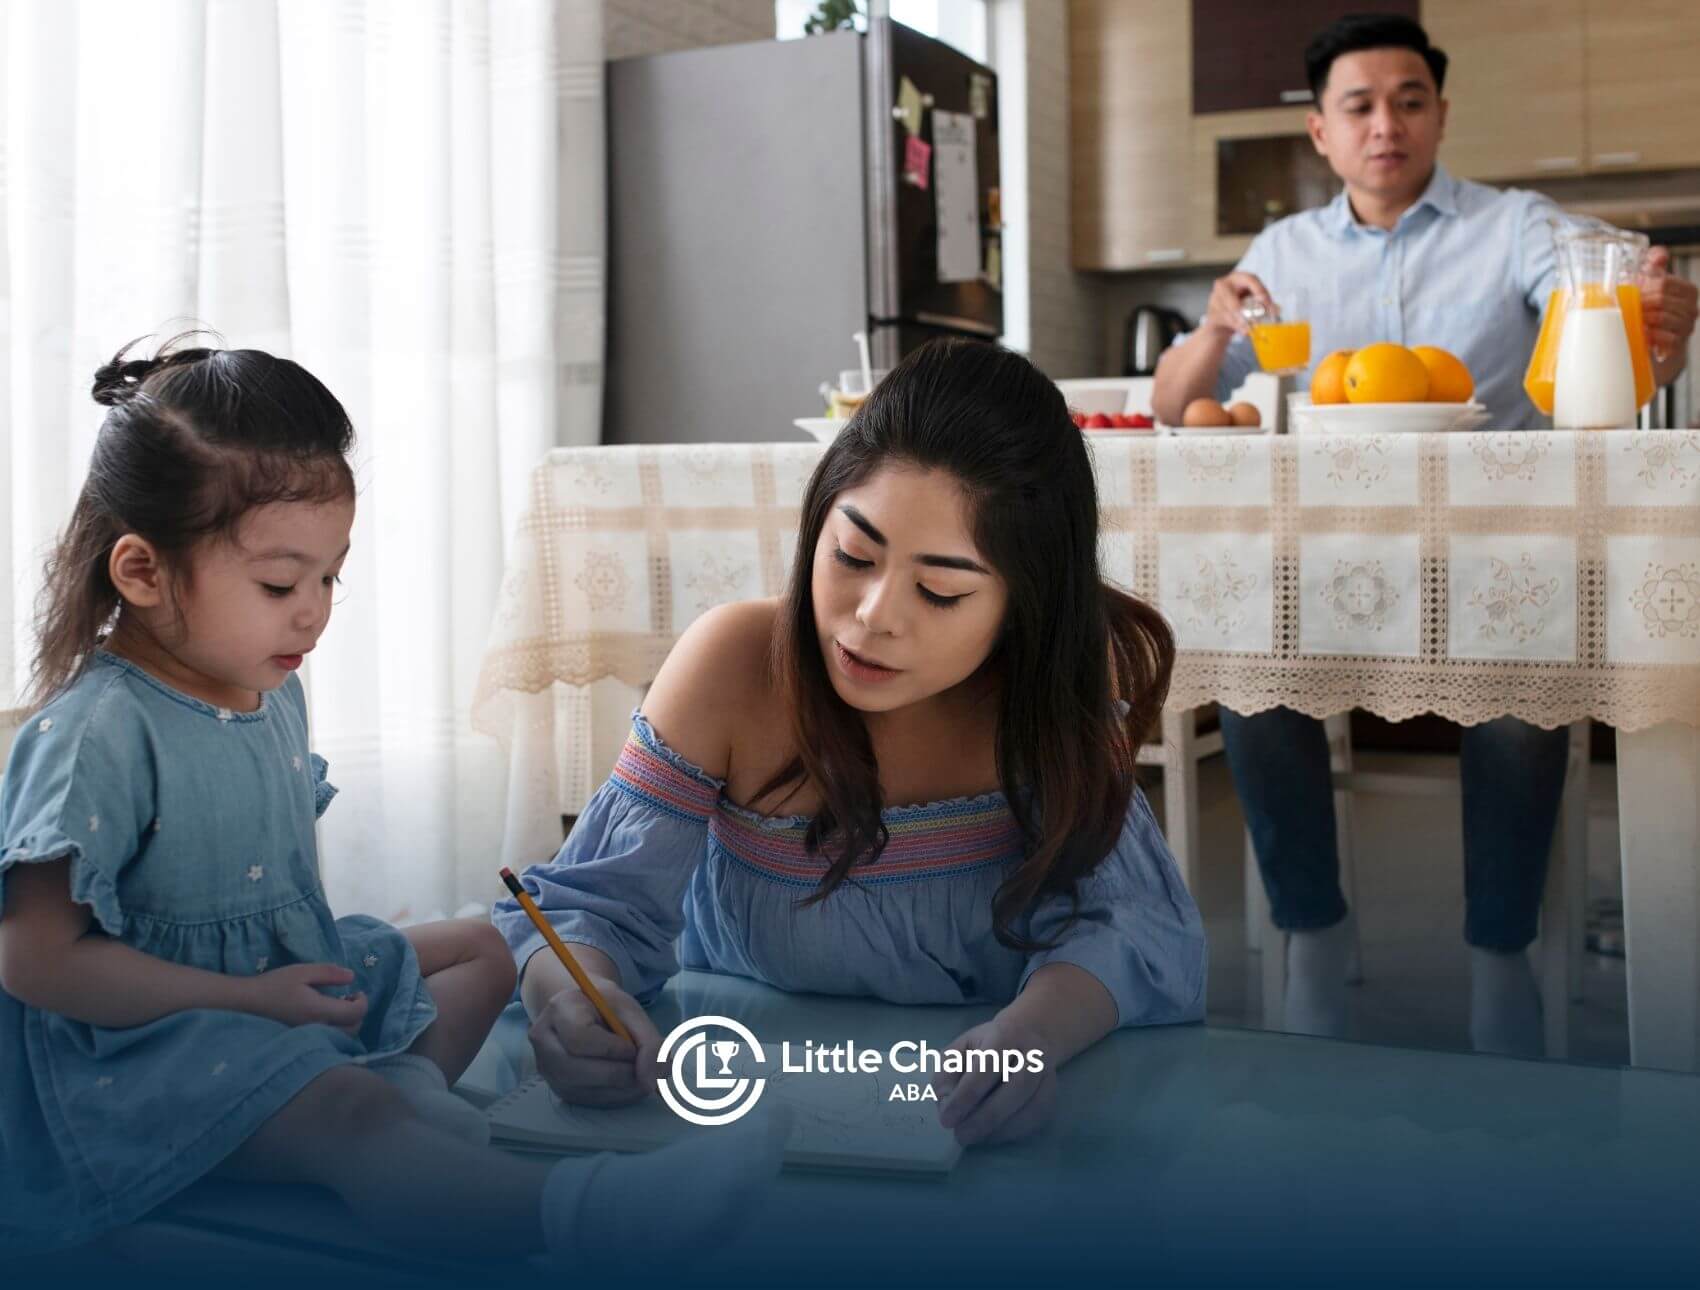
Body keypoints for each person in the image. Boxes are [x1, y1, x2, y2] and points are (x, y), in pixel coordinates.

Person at [0, 339, 783, 1266]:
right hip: (139, 1057)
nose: (315, 613)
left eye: (331, 578)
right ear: (141, 573)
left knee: (495, 940)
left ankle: (389, 1129)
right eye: (281, 584)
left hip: (270, 996)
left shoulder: (266, 686)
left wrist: (287, 982)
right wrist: (247, 998)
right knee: (358, 1108)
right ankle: (567, 1206)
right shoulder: (99, 732)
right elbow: (34, 962)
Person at [499, 337, 1207, 1148]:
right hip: (725, 1093)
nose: (872, 616)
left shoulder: (1048, 699)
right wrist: (572, 1000)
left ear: (1024, 607)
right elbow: (592, 905)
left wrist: (1028, 1040)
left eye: (939, 592)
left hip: (962, 1122)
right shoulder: (733, 663)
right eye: (852, 555)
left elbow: (1129, 929)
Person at [1152, 13, 1698, 1054]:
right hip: (1324, 567)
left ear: (1439, 113)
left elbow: (1608, 330)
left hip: (1493, 561)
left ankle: (1500, 963)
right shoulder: (1281, 252)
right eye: (1357, 106)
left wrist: (1653, 327)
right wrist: (1218, 325)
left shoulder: (1515, 226)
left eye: (1407, 100)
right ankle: (1308, 938)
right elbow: (1178, 398)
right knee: (1250, 670)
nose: (1384, 125)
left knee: (1518, 680)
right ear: (1320, 132)